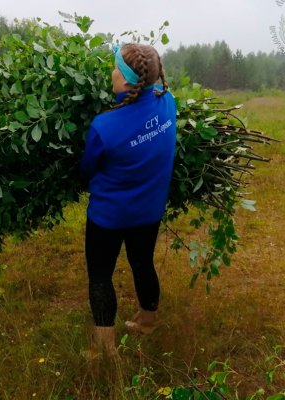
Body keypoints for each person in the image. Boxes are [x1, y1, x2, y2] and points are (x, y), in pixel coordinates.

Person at [80, 42, 177, 359]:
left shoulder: (104, 126)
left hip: (108, 216)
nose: (110, 72)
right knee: (142, 262)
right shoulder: (169, 104)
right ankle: (147, 321)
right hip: (149, 212)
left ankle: (104, 350)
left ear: (124, 80)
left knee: (100, 276)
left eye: (114, 67)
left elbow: (87, 169)